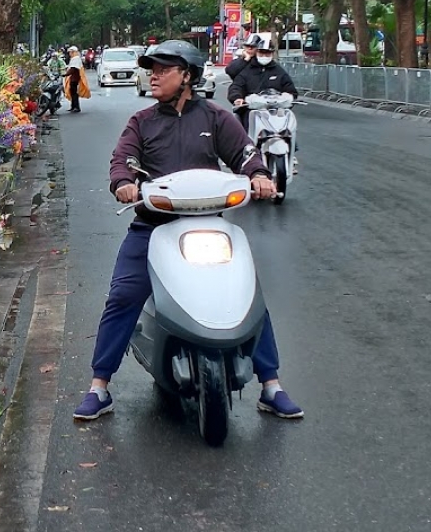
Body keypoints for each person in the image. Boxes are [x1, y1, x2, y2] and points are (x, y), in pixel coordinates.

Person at [73, 39, 304, 422]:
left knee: (250, 295)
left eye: (164, 69)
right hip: (152, 225)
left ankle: (271, 385)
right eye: (153, 69)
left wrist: (260, 174)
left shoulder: (215, 117)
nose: (154, 75)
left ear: (188, 76)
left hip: (209, 224)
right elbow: (123, 159)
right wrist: (123, 182)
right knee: (124, 295)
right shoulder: (141, 122)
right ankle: (100, 387)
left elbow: (245, 153)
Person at [228, 34, 299, 130]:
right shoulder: (246, 70)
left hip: (276, 113)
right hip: (251, 111)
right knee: (238, 132)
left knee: (289, 131)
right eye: (261, 53)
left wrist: (288, 97)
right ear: (256, 53)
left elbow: (290, 89)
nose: (264, 56)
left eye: (267, 53)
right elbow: (236, 86)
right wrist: (237, 98)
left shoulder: (279, 71)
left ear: (272, 54)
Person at [63, 46, 91, 113]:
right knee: (72, 93)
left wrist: (66, 74)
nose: (69, 54)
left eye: (70, 52)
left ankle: (76, 107)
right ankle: (73, 106)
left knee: (74, 93)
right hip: (73, 78)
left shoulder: (76, 58)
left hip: (74, 79)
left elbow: (73, 69)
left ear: (73, 52)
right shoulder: (74, 58)